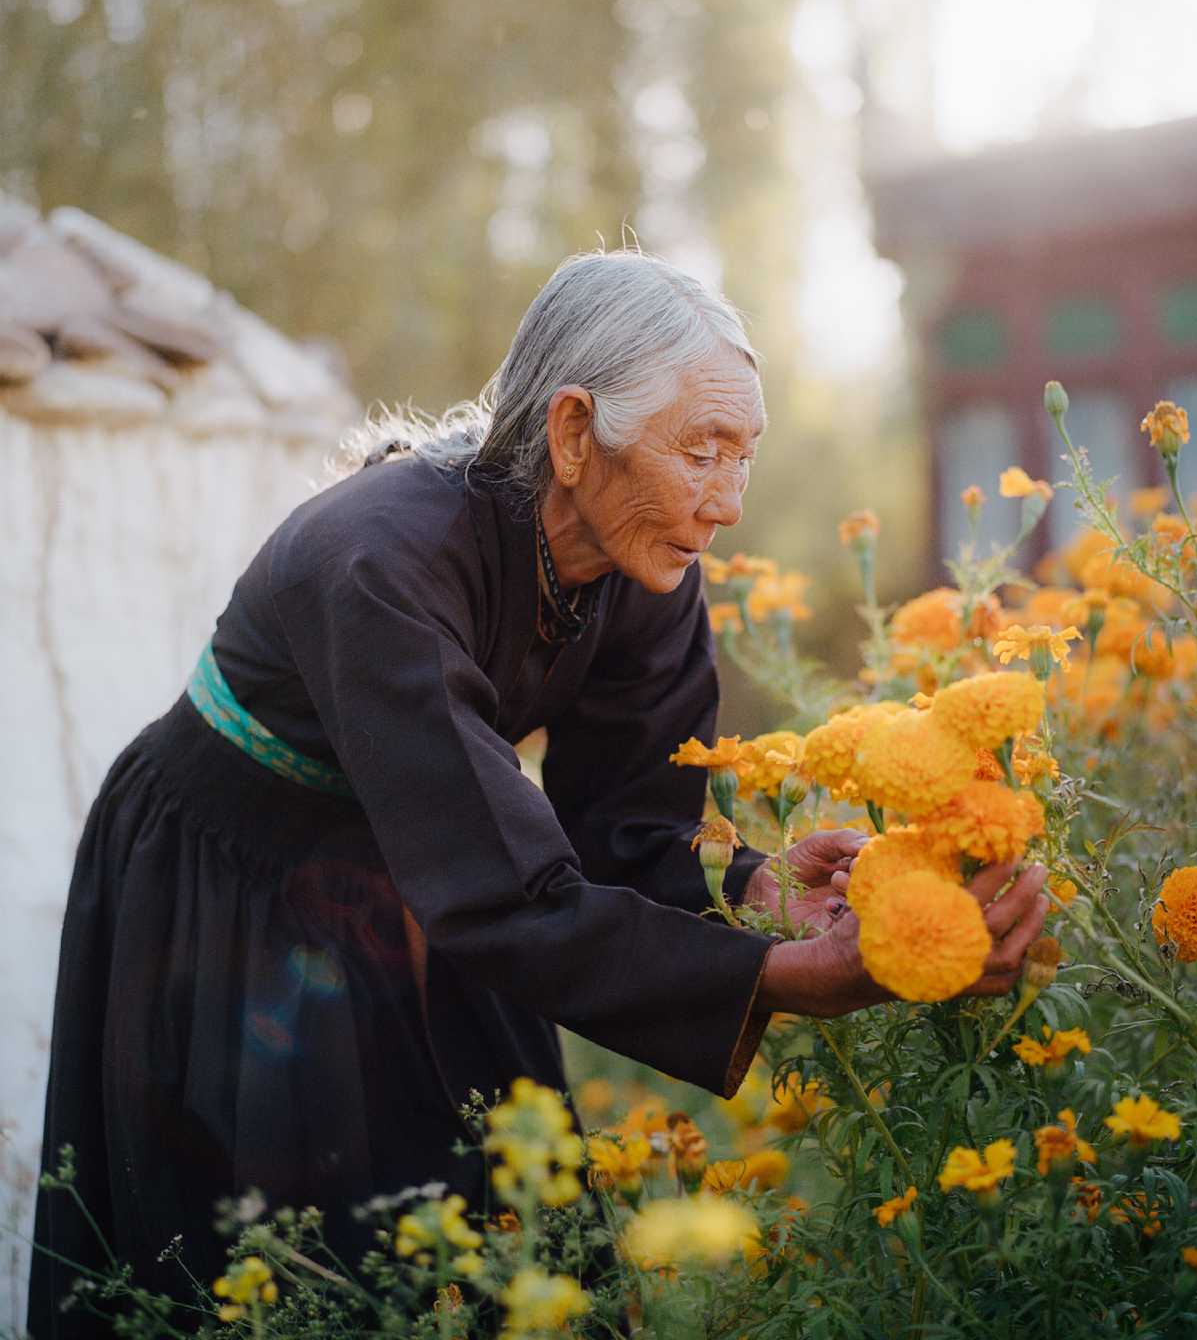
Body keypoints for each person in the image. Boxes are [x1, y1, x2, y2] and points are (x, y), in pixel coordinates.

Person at [29, 251, 1047, 1335]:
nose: (727, 503)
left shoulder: (645, 561)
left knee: (506, 1235)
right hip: (238, 883)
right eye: (701, 453)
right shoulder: (376, 559)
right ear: (571, 434)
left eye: (743, 458)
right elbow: (508, 893)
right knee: (288, 1261)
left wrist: (756, 892)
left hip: (443, 868)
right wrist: (787, 976)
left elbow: (630, 823)